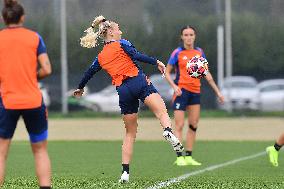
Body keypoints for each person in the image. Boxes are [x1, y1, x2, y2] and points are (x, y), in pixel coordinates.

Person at [73, 15, 183, 183]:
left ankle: (125, 173)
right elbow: (136, 55)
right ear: (110, 32)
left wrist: (80, 88)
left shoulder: (101, 57)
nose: (120, 31)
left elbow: (89, 72)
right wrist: (157, 62)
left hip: (123, 91)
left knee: (130, 133)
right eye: (118, 29)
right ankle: (168, 131)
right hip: (138, 82)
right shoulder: (122, 44)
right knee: (161, 111)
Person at [0, 0, 52, 188]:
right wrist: (32, 77)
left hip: (7, 102)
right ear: (22, 17)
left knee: (1, 152)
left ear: (4, 18)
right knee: (40, 151)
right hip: (33, 101)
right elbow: (46, 68)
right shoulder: (34, 37)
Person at [165, 25, 224, 166]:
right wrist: (174, 86)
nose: (189, 37)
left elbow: (206, 74)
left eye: (191, 34)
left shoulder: (199, 52)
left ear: (195, 36)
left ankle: (189, 156)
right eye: (186, 35)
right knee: (179, 125)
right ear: (182, 37)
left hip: (195, 91)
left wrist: (218, 92)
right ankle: (179, 157)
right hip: (181, 92)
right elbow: (166, 72)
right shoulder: (177, 53)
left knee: (193, 124)